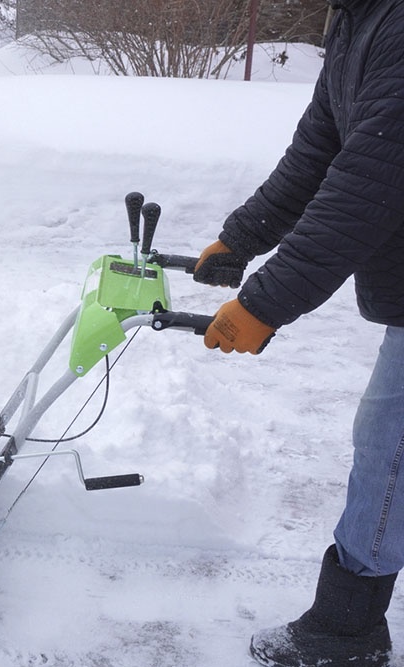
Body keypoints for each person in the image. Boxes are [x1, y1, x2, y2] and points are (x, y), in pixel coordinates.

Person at [193, 0, 404, 664]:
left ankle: (347, 631)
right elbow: (321, 147)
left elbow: (368, 181)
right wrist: (241, 236)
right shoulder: (357, 20)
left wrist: (266, 302)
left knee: (389, 444)